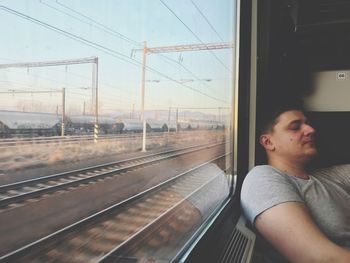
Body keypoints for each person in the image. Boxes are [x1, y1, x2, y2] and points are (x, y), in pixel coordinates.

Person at [241, 106, 350, 263]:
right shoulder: (263, 178)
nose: (311, 129)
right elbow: (319, 258)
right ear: (268, 142)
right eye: (295, 127)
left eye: (307, 123)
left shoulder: (330, 176)